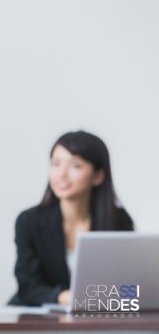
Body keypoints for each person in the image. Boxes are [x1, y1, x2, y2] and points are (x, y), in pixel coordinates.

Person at [11, 130, 134, 306]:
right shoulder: (29, 221)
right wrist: (65, 298)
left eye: (75, 166)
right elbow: (28, 286)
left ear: (98, 176)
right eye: (56, 164)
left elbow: (127, 284)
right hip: (42, 324)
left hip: (96, 323)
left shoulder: (118, 221)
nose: (61, 174)